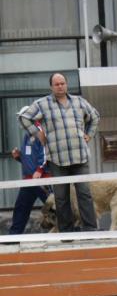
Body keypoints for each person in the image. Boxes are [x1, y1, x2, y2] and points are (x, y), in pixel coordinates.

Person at [18, 73, 100, 233]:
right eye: (56, 84)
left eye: (62, 83)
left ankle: (90, 229)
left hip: (80, 157)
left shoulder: (79, 101)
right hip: (56, 159)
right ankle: (66, 232)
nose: (60, 86)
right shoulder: (42, 104)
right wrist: (38, 133)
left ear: (66, 84)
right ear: (51, 87)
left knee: (84, 195)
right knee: (61, 199)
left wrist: (89, 134)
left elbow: (95, 116)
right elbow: (24, 117)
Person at [9, 110, 51, 235]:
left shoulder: (40, 131)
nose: (20, 122)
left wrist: (39, 170)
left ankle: (68, 232)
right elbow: (30, 158)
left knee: (53, 208)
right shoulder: (28, 134)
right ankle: (14, 237)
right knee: (21, 208)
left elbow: (45, 152)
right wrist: (18, 157)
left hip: (42, 178)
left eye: (21, 118)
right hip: (29, 180)